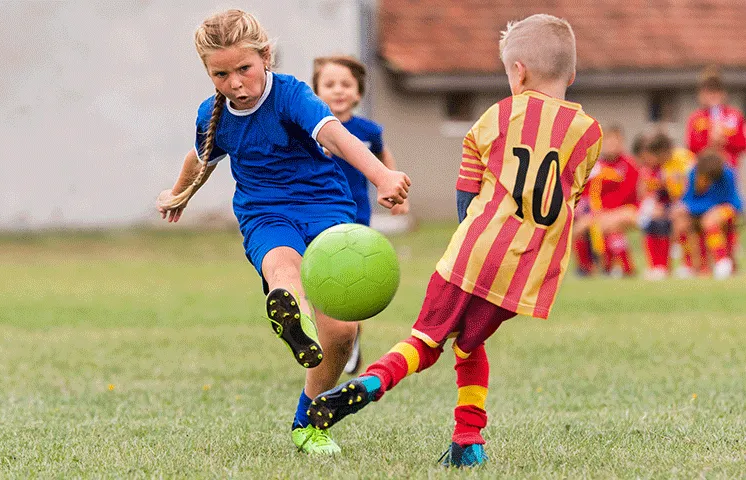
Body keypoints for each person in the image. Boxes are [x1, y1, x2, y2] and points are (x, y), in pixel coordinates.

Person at [305, 14, 602, 467]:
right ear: (572, 74)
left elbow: (468, 184)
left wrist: (469, 232)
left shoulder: (500, 114)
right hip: (526, 271)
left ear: (517, 72)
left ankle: (370, 383)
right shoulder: (589, 133)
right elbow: (572, 197)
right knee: (468, 345)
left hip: (474, 254)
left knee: (425, 341)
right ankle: (469, 441)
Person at [155, 9, 411, 455]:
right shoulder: (213, 115)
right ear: (207, 72)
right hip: (264, 212)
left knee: (344, 333)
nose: (235, 83)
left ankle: (309, 421)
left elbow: (334, 135)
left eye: (244, 69)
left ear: (265, 57)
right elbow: (199, 158)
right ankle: (290, 312)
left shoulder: (291, 94)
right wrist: (178, 194)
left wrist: (381, 176)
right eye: (221, 74)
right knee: (281, 263)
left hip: (325, 208)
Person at [311, 55, 409, 375]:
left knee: (351, 284)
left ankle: (351, 337)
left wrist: (394, 189)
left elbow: (383, 154)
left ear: (358, 93)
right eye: (329, 84)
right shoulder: (310, 129)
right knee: (319, 279)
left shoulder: (367, 130)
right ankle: (323, 335)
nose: (338, 91)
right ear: (316, 92)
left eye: (346, 85)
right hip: (315, 213)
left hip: (355, 218)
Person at [685, 66, 745, 271]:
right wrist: (708, 140)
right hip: (703, 176)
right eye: (707, 91)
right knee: (699, 218)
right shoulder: (696, 119)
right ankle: (703, 265)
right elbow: (692, 147)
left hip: (726, 175)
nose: (711, 96)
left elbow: (741, 143)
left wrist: (725, 138)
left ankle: (727, 261)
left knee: (724, 218)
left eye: (715, 91)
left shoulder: (733, 116)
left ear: (723, 93)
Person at [572, 126, 639, 277]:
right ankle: (586, 268)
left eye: (615, 142)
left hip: (627, 209)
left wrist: (605, 212)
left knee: (608, 225)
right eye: (608, 142)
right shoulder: (595, 166)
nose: (611, 146)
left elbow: (627, 194)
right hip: (599, 213)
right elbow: (586, 193)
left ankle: (622, 266)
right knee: (579, 228)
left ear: (621, 143)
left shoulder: (629, 165)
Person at [672, 149, 742, 279]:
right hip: (702, 210)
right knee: (680, 221)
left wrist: (691, 207)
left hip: (729, 207)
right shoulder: (694, 173)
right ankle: (690, 265)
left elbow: (719, 200)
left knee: (709, 220)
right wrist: (682, 207)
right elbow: (688, 198)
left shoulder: (727, 174)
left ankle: (722, 262)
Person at [635, 132, 694, 279]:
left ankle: (688, 265)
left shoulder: (684, 158)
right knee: (652, 221)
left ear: (662, 152)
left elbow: (695, 185)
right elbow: (660, 191)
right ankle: (659, 266)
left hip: (692, 203)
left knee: (680, 220)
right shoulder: (660, 167)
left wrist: (681, 205)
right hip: (674, 204)